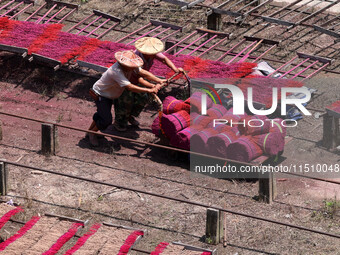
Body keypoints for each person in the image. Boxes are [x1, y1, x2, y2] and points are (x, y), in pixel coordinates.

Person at [88, 50, 163, 146]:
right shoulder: (116, 71)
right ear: (122, 64)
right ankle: (92, 133)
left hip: (109, 94)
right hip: (101, 94)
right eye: (129, 66)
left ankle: (90, 131)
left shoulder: (130, 67)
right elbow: (129, 87)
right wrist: (149, 90)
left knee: (101, 114)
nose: (131, 68)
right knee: (106, 120)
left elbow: (142, 72)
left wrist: (159, 80)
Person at [113, 37, 184, 131]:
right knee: (126, 102)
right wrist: (153, 85)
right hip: (126, 82)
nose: (154, 54)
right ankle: (119, 123)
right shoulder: (136, 58)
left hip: (139, 79)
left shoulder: (152, 53)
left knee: (143, 98)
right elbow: (140, 78)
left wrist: (175, 69)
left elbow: (164, 59)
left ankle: (130, 116)